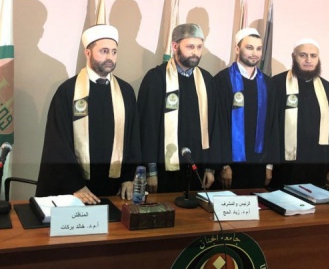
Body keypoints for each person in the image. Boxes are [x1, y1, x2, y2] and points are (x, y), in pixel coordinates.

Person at [36, 24, 141, 204]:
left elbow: (133, 138)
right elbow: (58, 143)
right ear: (88, 53)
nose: (110, 57)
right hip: (76, 191)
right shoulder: (68, 91)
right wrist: (75, 185)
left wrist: (128, 177)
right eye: (104, 51)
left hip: (115, 188)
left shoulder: (126, 91)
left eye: (114, 52)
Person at [137, 23, 217, 193]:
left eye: (199, 47)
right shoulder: (156, 79)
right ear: (175, 46)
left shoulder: (207, 80)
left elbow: (214, 126)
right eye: (190, 47)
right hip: (164, 170)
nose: (195, 52)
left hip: (198, 167)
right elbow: (147, 128)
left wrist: (210, 168)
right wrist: (151, 170)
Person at [272, 38, 329, 188]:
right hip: (285, 166)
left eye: (313, 56)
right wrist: (267, 165)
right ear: (293, 57)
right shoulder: (276, 85)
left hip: (317, 166)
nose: (308, 60)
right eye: (303, 55)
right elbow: (268, 127)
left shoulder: (327, 89)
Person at [214, 27, 279, 190]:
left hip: (258, 165)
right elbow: (218, 126)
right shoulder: (222, 80)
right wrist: (224, 164)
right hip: (229, 167)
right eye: (249, 47)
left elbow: (273, 126)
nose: (254, 53)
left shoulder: (268, 84)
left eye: (258, 48)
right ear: (237, 49)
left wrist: (269, 165)